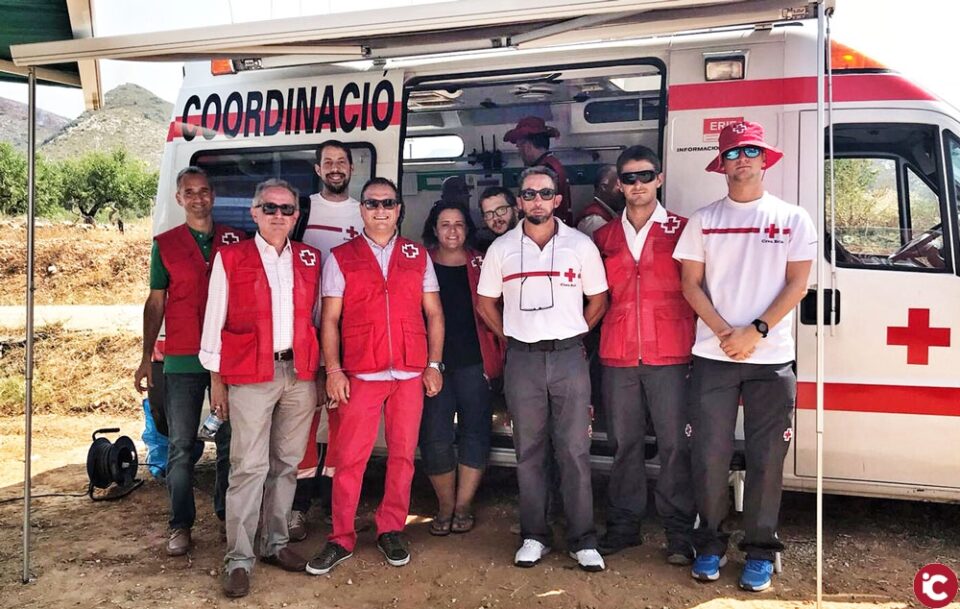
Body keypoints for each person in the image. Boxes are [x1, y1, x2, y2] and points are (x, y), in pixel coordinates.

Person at [673, 121, 816, 592]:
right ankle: (710, 544)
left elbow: (798, 284)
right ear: (722, 164)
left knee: (766, 459)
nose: (742, 160)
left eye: (751, 150)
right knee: (709, 457)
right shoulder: (704, 219)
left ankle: (759, 549)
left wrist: (754, 332)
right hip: (713, 356)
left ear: (765, 159)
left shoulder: (794, 218)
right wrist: (722, 332)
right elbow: (689, 284)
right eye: (733, 153)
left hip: (770, 358)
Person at [306, 177, 444, 575]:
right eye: (372, 203)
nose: (380, 210)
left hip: (409, 373)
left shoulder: (416, 254)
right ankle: (341, 537)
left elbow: (434, 313)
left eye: (388, 203)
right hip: (361, 373)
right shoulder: (342, 256)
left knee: (402, 456)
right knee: (350, 459)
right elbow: (329, 320)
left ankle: (391, 528)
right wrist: (333, 370)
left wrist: (433, 364)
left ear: (399, 209)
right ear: (361, 209)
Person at [476, 166, 609, 572]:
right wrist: (512, 335)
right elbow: (485, 304)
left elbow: (599, 299)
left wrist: (571, 335)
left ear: (556, 199)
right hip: (524, 360)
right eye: (529, 194)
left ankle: (583, 539)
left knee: (573, 450)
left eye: (544, 194)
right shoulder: (502, 248)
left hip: (569, 357)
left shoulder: (580, 244)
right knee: (528, 450)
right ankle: (533, 535)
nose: (537, 201)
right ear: (519, 201)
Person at [199, 178, 322, 598]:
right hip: (250, 374)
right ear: (254, 213)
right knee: (248, 467)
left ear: (297, 216)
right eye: (270, 208)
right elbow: (214, 321)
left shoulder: (309, 258)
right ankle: (239, 558)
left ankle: (275, 543)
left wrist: (319, 371)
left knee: (287, 463)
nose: (278, 216)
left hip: (298, 374)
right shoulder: (230, 258)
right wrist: (217, 382)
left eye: (287, 209)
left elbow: (317, 319)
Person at [591, 146, 696, 564]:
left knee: (674, 446)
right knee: (624, 444)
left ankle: (678, 531)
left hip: (670, 353)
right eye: (629, 178)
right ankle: (624, 525)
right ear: (619, 184)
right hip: (618, 354)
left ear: (660, 178)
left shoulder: (685, 230)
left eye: (644, 176)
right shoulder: (603, 237)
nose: (637, 185)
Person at [134, 167, 244, 557]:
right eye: (189, 192)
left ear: (213, 195)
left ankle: (227, 513)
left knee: (230, 443)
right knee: (181, 445)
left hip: (229, 358)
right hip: (181, 358)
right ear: (179, 199)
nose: (198, 198)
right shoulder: (164, 244)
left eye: (203, 191)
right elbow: (156, 301)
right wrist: (147, 357)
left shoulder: (235, 239)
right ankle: (180, 524)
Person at [289, 139, 364, 542]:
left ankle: (336, 503)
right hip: (305, 331)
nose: (335, 168)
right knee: (303, 417)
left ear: (352, 168)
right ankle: (297, 506)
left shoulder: (364, 211)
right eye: (328, 162)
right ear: (318, 170)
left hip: (349, 332)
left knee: (342, 417)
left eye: (342, 162)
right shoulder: (301, 210)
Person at [418, 200, 504, 536]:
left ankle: (464, 506)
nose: (452, 230)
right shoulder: (419, 263)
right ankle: (444, 506)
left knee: (476, 431)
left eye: (459, 224)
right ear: (434, 229)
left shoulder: (482, 262)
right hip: (432, 364)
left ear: (467, 230)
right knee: (435, 434)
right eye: (445, 224)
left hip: (475, 362)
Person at [504, 117, 573, 225]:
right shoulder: (553, 164)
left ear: (527, 146)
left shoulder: (542, 172)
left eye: (519, 147)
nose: (519, 153)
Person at [576, 165, 624, 238]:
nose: (623, 190)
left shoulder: (609, 215)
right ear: (604, 187)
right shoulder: (594, 221)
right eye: (618, 185)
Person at [475, 186, 519, 252]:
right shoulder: (490, 249)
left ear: (515, 210)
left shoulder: (534, 239)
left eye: (501, 210)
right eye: (489, 214)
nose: (495, 218)